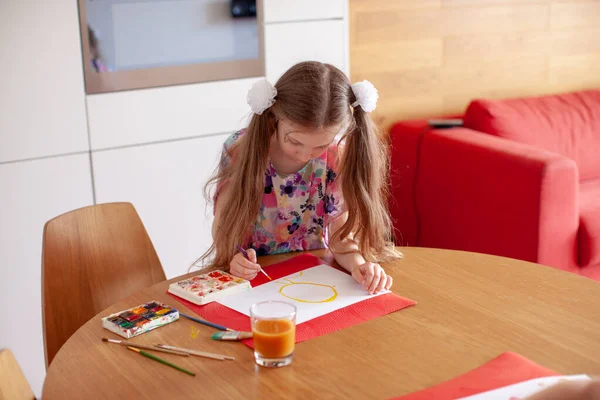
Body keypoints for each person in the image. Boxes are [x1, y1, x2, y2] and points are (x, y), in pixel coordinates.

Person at [201, 61, 401, 294]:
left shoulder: (337, 156)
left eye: (320, 145)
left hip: (312, 275)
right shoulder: (240, 150)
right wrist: (234, 258)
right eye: (295, 142)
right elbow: (224, 226)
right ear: (273, 117)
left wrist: (360, 265)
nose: (306, 155)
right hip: (252, 279)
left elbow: (340, 237)